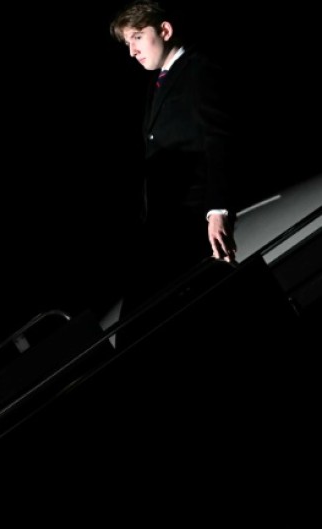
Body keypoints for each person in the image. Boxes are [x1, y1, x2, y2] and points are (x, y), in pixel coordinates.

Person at [109, 1, 238, 343]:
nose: (133, 51)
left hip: (190, 219)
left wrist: (218, 210)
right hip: (165, 224)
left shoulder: (197, 70)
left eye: (138, 37)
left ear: (164, 31)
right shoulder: (158, 84)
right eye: (128, 43)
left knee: (145, 325)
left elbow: (219, 140)